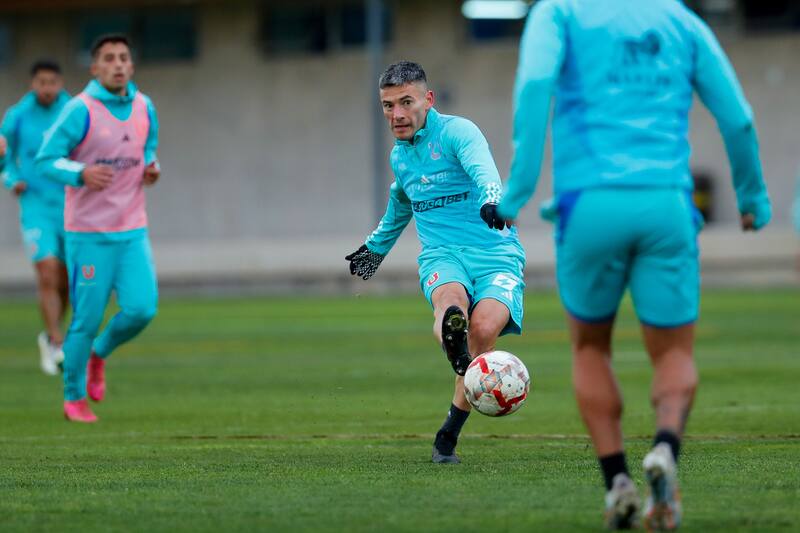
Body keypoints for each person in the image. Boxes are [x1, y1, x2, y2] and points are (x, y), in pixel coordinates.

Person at [496, 0, 771, 529]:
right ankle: (664, 447)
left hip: (589, 206)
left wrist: (518, 191)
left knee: (590, 347)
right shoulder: (682, 20)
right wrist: (752, 195)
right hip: (665, 205)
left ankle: (617, 481)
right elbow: (738, 118)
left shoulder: (559, 11)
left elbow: (534, 84)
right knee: (674, 352)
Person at [346, 61, 525, 464]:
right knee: (450, 302)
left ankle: (449, 431)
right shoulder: (400, 158)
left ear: (428, 100)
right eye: (388, 106)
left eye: (405, 102)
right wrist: (373, 250)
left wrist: (492, 199)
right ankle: (452, 338)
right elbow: (400, 205)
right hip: (442, 255)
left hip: (495, 253)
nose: (397, 114)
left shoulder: (458, 132)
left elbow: (482, 167)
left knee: (484, 329)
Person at [36, 34, 161, 423]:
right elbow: (45, 160)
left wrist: (152, 167)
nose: (117, 64)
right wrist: (81, 173)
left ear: (132, 65)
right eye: (109, 58)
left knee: (142, 309)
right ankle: (73, 397)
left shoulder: (144, 106)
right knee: (87, 319)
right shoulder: (80, 109)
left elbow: (148, 148)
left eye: (123, 57)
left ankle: (98, 353)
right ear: (95, 68)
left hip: (132, 230)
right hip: (88, 235)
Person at [1, 60, 71, 375]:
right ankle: (56, 341)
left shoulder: (73, 111)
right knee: (47, 272)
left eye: (52, 82)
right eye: (42, 82)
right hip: (35, 205)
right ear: (33, 84)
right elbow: (3, 156)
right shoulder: (17, 116)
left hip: (70, 204)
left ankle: (50, 334)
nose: (47, 88)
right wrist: (11, 179)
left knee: (67, 281)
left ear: (60, 83)